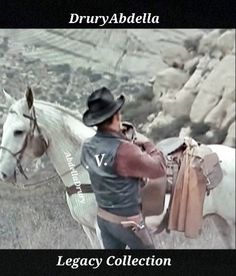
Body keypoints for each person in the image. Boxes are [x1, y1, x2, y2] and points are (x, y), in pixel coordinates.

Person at [81, 87, 166, 249]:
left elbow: (94, 167)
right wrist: (147, 143)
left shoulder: (87, 146)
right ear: (115, 116)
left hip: (104, 220)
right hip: (129, 223)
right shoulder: (125, 150)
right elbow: (158, 169)